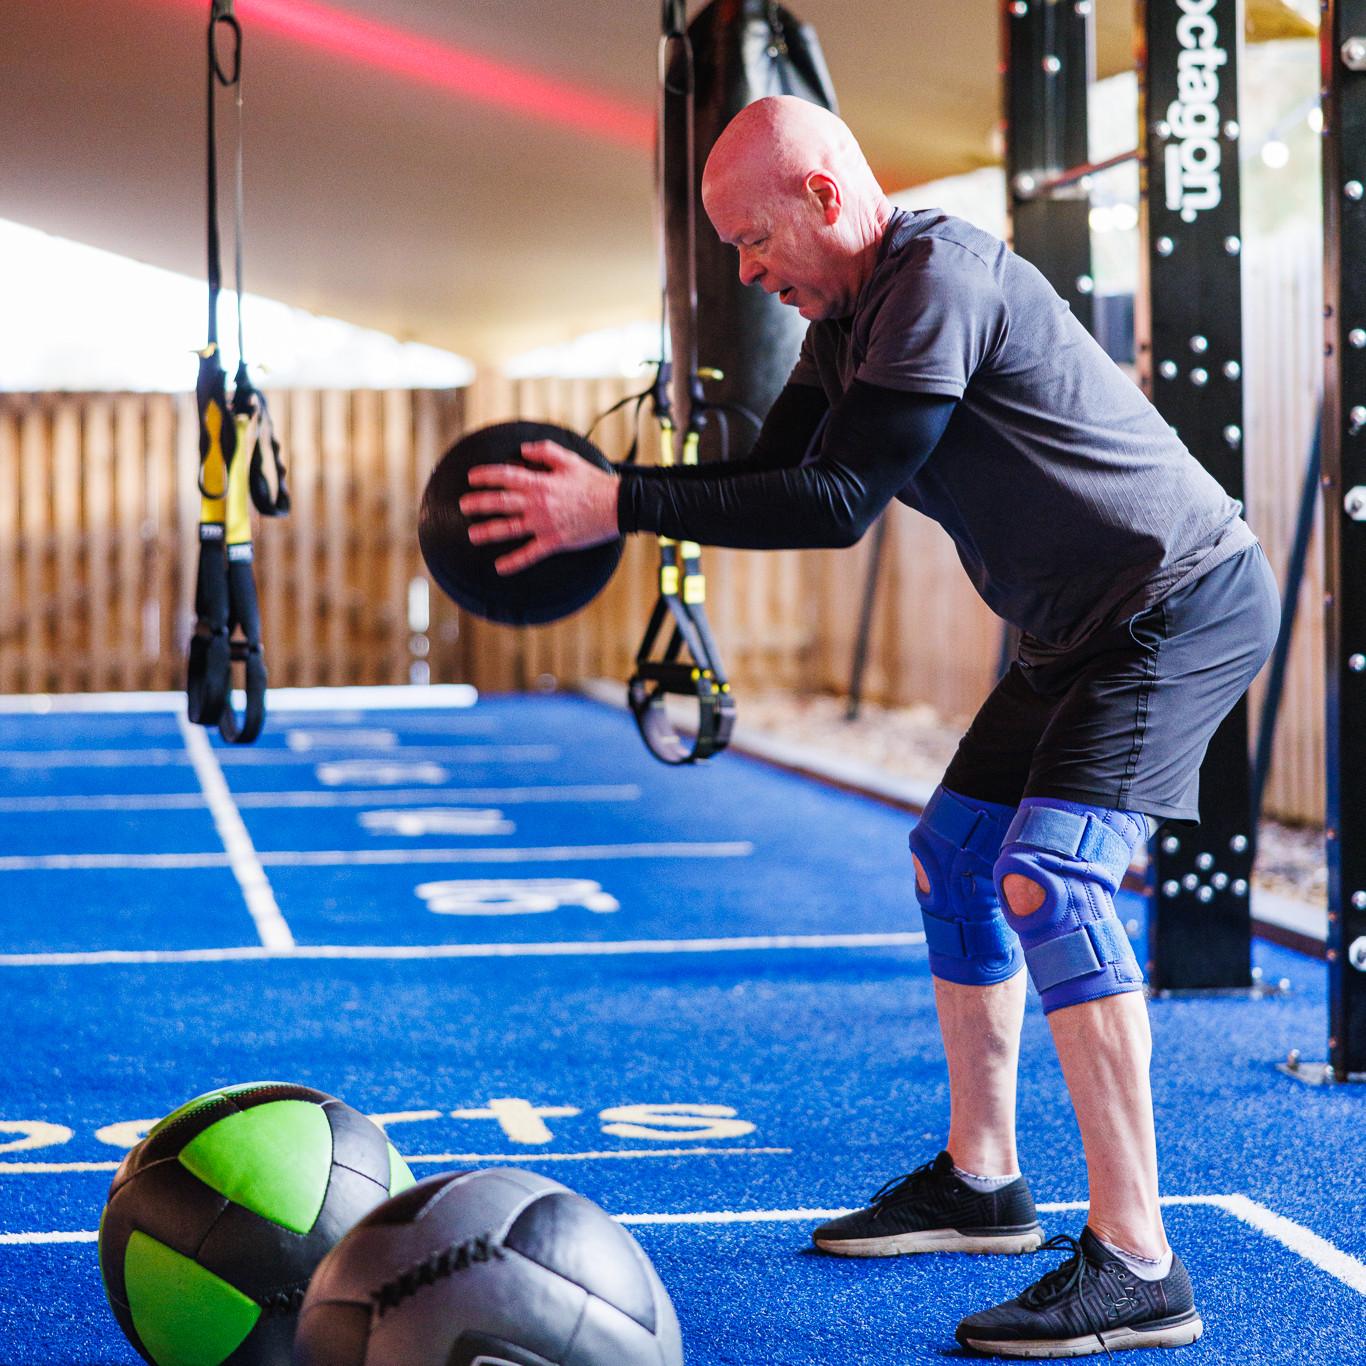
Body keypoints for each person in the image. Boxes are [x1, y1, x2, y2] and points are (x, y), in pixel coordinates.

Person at [458, 95, 1279, 1357]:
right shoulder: (845, 324)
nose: (748, 270)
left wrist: (613, 504)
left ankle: (1139, 1259)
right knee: (952, 857)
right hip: (1073, 629)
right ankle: (983, 1177)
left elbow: (840, 500)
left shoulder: (937, 276)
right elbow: (766, 475)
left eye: (752, 239)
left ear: (827, 199)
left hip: (1174, 602)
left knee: (1047, 880)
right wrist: (608, 499)